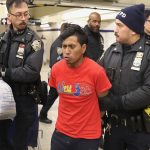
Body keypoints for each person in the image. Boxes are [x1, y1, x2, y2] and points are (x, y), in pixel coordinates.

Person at [46, 24, 111, 150]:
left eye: (72, 46)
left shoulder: (96, 71)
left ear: (83, 48)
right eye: (64, 46)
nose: (67, 51)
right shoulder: (56, 69)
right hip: (61, 133)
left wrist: (97, 119)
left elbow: (105, 99)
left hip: (87, 137)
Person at [97, 4, 150, 150]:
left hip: (140, 131)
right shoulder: (111, 51)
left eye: (119, 25)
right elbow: (95, 74)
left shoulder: (148, 52)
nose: (115, 30)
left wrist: (117, 102)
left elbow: (148, 91)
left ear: (133, 29)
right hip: (113, 127)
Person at [0, 0, 44, 150]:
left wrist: (6, 72)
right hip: (4, 98)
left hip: (24, 101)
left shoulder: (34, 41)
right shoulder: (3, 38)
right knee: (3, 139)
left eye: (26, 14)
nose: (23, 18)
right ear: (9, 16)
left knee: (19, 142)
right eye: (18, 15)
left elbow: (31, 72)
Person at [39, 23, 73, 124]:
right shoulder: (58, 44)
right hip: (57, 77)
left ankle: (43, 114)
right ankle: (42, 114)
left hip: (62, 77)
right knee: (51, 97)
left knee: (56, 97)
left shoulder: (62, 42)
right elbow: (55, 63)